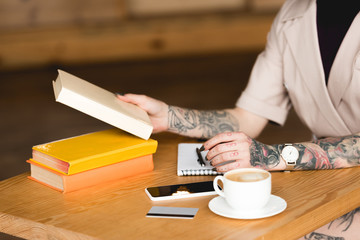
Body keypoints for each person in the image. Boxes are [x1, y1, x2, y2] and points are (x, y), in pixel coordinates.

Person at [117, 0, 360, 238]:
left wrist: (269, 156)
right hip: (325, 180)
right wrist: (170, 117)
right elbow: (249, 116)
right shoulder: (291, 12)